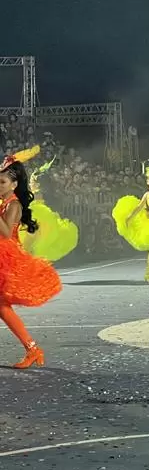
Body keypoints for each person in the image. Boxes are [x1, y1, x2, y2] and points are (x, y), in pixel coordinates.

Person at [0, 145, 62, 368]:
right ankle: (32, 349)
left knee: (2, 307)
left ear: (14, 184)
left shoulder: (14, 205)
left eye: (2, 182)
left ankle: (33, 349)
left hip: (5, 256)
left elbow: (6, 232)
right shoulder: (4, 203)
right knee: (2, 307)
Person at [113, 167, 149, 283]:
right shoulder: (147, 195)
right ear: (148, 182)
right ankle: (148, 274)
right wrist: (129, 217)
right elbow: (138, 207)